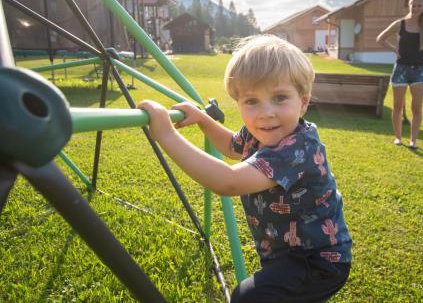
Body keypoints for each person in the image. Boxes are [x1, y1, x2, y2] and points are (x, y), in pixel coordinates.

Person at [138, 35, 352, 303]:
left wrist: (166, 135)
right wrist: (204, 120)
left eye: (280, 98)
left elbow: (229, 182)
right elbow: (231, 145)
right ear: (238, 102)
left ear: (304, 102)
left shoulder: (297, 148)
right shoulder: (257, 134)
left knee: (247, 297)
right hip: (284, 254)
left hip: (318, 260)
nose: (265, 113)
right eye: (252, 101)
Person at [376, 0, 423, 150]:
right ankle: (398, 138)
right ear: (409, 6)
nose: (415, 8)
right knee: (398, 106)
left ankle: (413, 140)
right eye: (413, 5)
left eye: (419, 6)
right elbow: (380, 38)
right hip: (400, 68)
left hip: (419, 70)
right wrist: (394, 49)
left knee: (417, 108)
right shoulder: (400, 23)